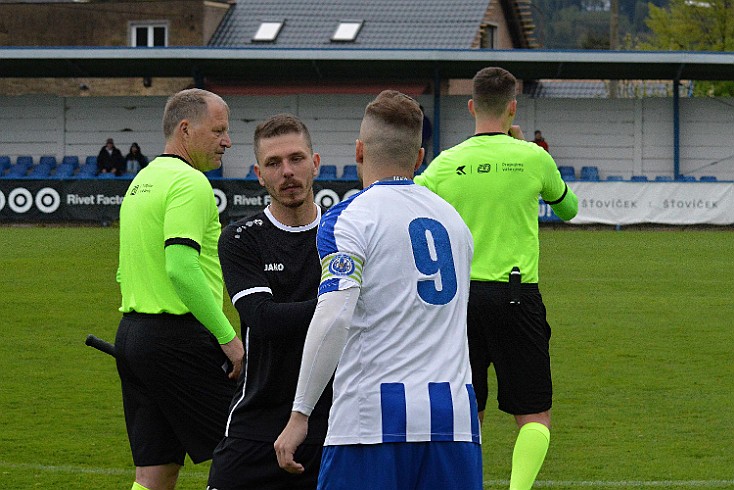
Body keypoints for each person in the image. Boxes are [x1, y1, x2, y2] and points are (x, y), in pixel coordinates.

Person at [274, 90, 482, 490]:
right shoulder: (455, 222)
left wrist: (300, 414)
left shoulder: (349, 220)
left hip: (371, 423)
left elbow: (334, 315)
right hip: (453, 421)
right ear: (419, 158)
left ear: (359, 151)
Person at [414, 67, 578, 490]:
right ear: (512, 107)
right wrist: (523, 154)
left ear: (471, 107)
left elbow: (412, 210)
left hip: (457, 302)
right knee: (534, 415)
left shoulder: (445, 164)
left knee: (468, 410)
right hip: (516, 295)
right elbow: (569, 209)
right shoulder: (533, 157)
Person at [115, 88, 245, 490]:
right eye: (219, 130)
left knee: (155, 473)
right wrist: (229, 338)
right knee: (247, 447)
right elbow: (181, 267)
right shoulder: (190, 183)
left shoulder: (143, 181)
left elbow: (123, 274)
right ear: (186, 130)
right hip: (179, 341)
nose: (227, 140)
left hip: (133, 339)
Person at [207, 114, 331, 490]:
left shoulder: (345, 233)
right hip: (257, 422)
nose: (287, 172)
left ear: (316, 163)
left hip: (334, 424)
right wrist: (343, 305)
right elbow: (263, 321)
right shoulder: (241, 239)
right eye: (274, 164)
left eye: (296, 159)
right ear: (259, 174)